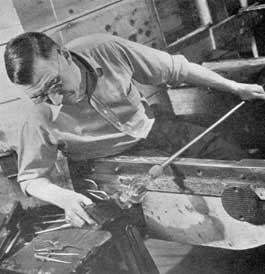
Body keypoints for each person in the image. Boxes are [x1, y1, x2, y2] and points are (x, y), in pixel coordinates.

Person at [4, 32, 265, 228]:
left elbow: (177, 68)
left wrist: (234, 87)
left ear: (65, 55)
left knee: (243, 167)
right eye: (41, 96)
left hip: (151, 128)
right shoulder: (34, 113)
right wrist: (64, 198)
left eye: (56, 84)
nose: (56, 100)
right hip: (102, 166)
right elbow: (31, 178)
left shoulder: (106, 49)